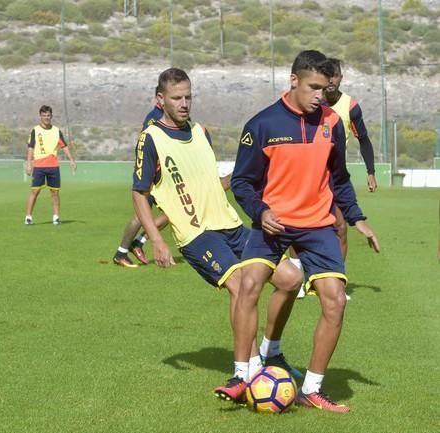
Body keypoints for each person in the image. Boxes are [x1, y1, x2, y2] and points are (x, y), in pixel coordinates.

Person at [220, 50, 380, 412]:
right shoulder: (262, 124)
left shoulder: (331, 124)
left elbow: (339, 178)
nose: (319, 97)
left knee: (335, 300)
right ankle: (241, 376)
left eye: (325, 89)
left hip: (317, 226)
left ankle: (312, 388)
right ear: (293, 80)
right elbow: (243, 182)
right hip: (272, 224)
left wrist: (357, 218)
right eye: (313, 88)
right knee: (248, 285)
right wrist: (261, 212)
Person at [132, 68, 304, 394]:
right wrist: (155, 239)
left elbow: (213, 184)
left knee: (291, 279)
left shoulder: (201, 131)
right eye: (176, 98)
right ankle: (248, 372)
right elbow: (139, 193)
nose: (184, 104)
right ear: (160, 100)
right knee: (240, 287)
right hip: (197, 235)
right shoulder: (150, 138)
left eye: (188, 97)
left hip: (232, 225)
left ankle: (272, 352)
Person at [295, 57, 378, 299]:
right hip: (305, 174)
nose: (331, 80)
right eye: (326, 75)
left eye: (335, 75)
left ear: (341, 78)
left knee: (340, 227)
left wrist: (371, 171)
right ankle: (300, 278)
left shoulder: (350, 106)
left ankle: (335, 280)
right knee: (296, 226)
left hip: (334, 176)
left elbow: (363, 139)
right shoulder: (309, 101)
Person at [113, 90, 170, 267]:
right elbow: (145, 145)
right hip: (153, 175)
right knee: (142, 215)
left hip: (161, 174)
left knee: (171, 213)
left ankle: (135, 244)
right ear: (159, 98)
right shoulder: (155, 118)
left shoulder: (163, 116)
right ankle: (123, 252)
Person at [24, 105, 77, 225]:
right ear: (40, 116)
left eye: (48, 115)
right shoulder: (35, 130)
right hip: (39, 166)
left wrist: (71, 160)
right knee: (35, 191)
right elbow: (30, 148)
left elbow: (64, 146)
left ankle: (56, 216)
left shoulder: (56, 131)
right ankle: (28, 216)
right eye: (44, 116)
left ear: (51, 116)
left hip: (53, 166)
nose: (46, 118)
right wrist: (28, 163)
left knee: (55, 192)